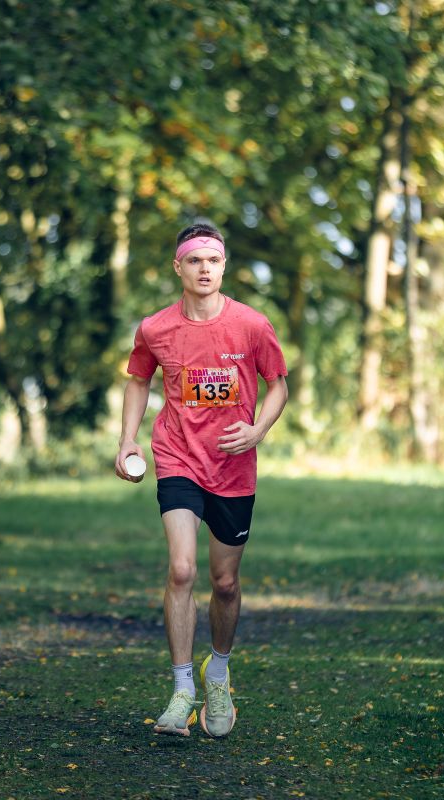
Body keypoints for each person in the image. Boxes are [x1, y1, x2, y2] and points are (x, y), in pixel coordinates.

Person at [114, 221, 288, 738]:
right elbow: (138, 380)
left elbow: (278, 385)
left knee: (225, 583)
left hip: (233, 466)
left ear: (224, 266)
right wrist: (128, 439)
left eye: (213, 260)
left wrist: (257, 430)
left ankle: (218, 673)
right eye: (194, 260)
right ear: (179, 267)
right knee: (182, 569)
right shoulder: (155, 328)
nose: (204, 269)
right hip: (178, 458)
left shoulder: (252, 325)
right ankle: (181, 690)